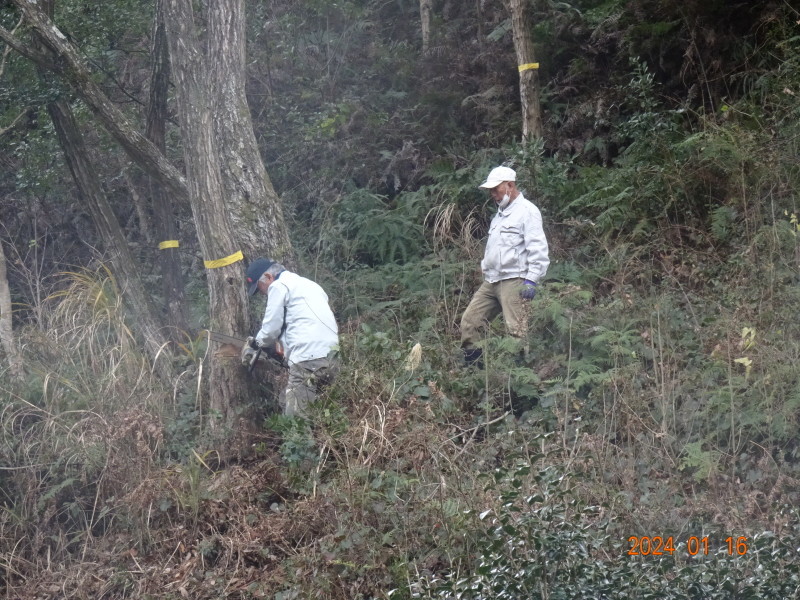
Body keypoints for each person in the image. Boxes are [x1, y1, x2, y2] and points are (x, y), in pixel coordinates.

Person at [460, 166, 549, 365]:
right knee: (470, 323)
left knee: (516, 333)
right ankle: (475, 375)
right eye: (490, 191)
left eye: (496, 189)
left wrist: (531, 280)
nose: (493, 195)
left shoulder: (528, 212)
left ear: (510, 185)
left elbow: (538, 249)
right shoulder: (499, 216)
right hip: (492, 280)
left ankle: (519, 383)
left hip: (515, 280)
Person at [242, 258, 339, 417]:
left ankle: (301, 440)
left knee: (294, 420)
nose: (261, 293)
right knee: (286, 400)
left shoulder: (278, 286)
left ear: (268, 277)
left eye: (259, 288)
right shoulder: (309, 285)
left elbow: (271, 328)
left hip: (308, 359)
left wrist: (255, 345)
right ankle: (321, 439)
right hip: (331, 357)